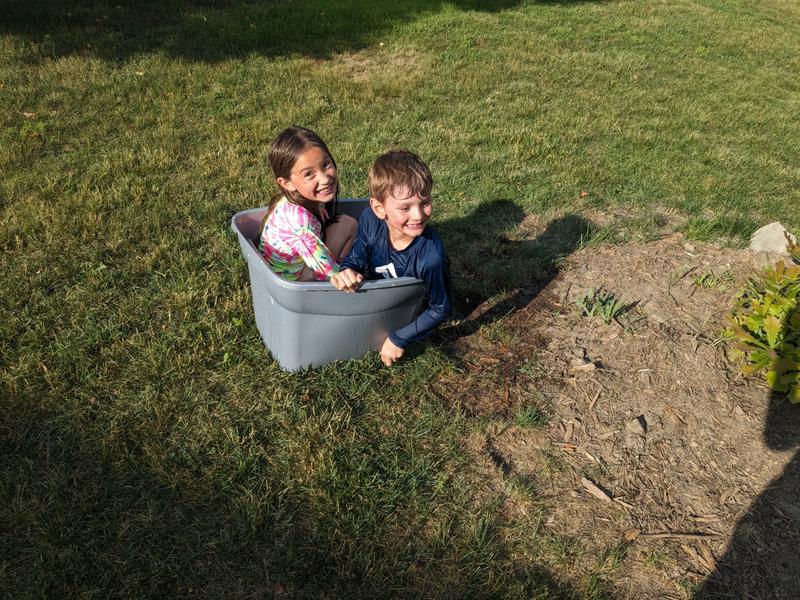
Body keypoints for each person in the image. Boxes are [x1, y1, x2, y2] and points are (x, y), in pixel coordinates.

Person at [331, 150, 452, 366]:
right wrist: (348, 269)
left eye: (424, 203)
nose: (418, 215)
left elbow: (440, 308)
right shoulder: (369, 219)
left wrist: (399, 338)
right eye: (405, 208)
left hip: (402, 307)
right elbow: (358, 254)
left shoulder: (430, 257)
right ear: (379, 208)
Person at [258, 126, 356, 281]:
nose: (324, 179)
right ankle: (346, 266)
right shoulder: (300, 222)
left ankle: (346, 262)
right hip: (296, 285)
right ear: (287, 183)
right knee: (348, 227)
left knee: (346, 222)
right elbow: (325, 270)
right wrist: (345, 277)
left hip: (300, 263)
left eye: (326, 164)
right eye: (309, 174)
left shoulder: (295, 200)